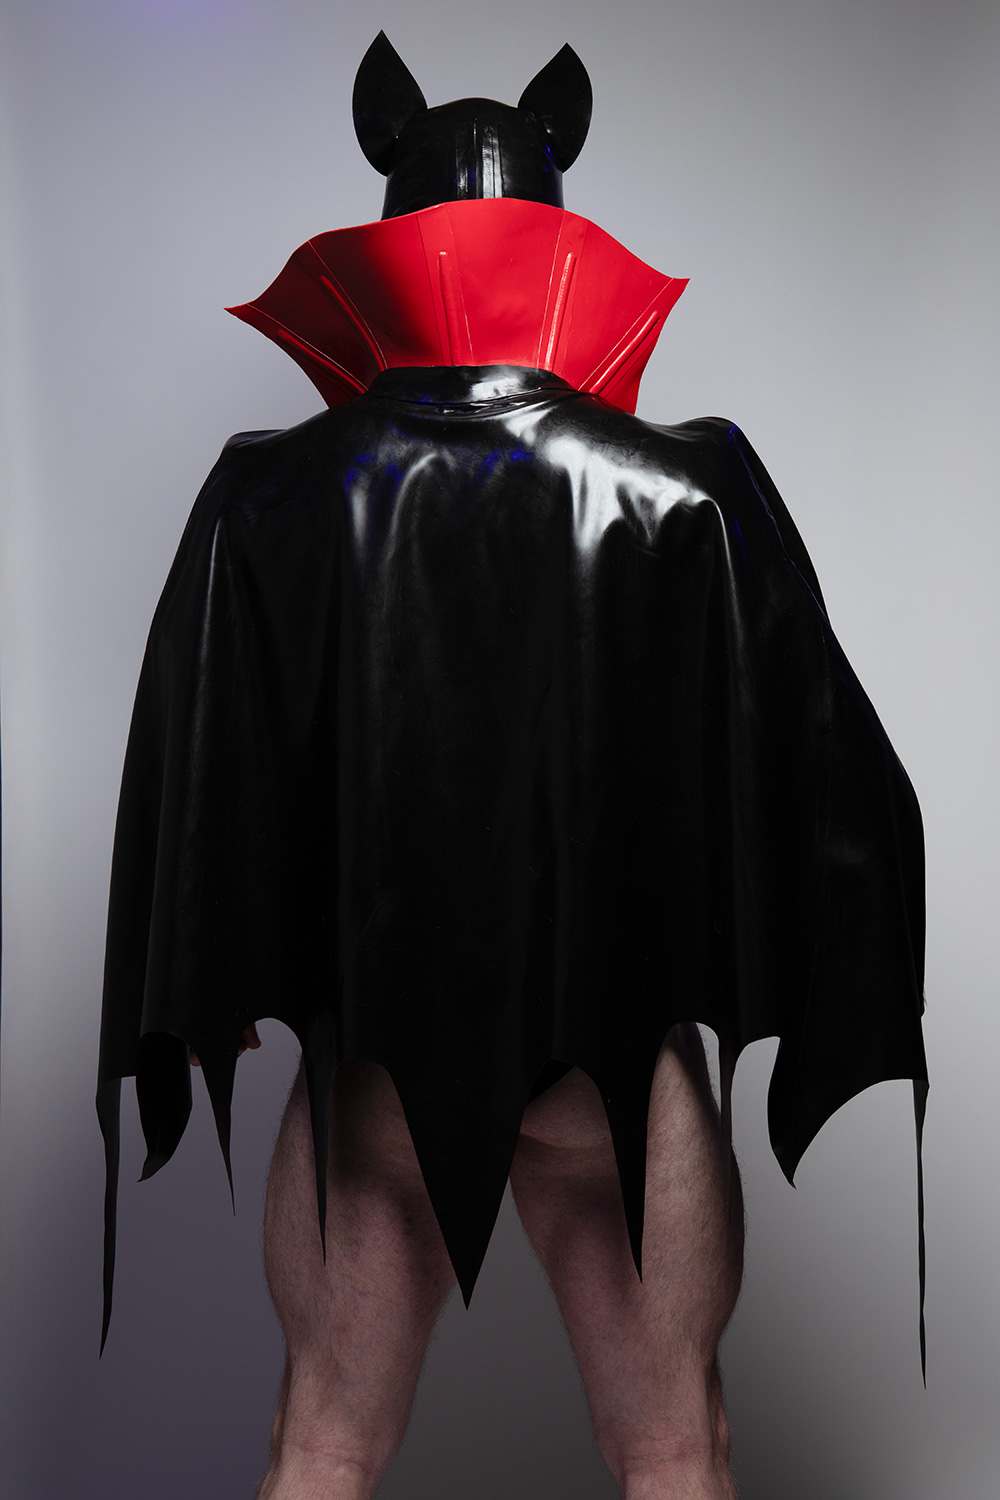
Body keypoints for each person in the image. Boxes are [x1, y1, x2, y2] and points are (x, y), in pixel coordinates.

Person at [97, 34, 927, 1500]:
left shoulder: (267, 497)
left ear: (388, 241)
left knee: (321, 1444)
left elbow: (193, 786)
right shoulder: (691, 487)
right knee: (675, 1448)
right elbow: (840, 798)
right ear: (556, 238)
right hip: (620, 1102)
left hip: (371, 1092)